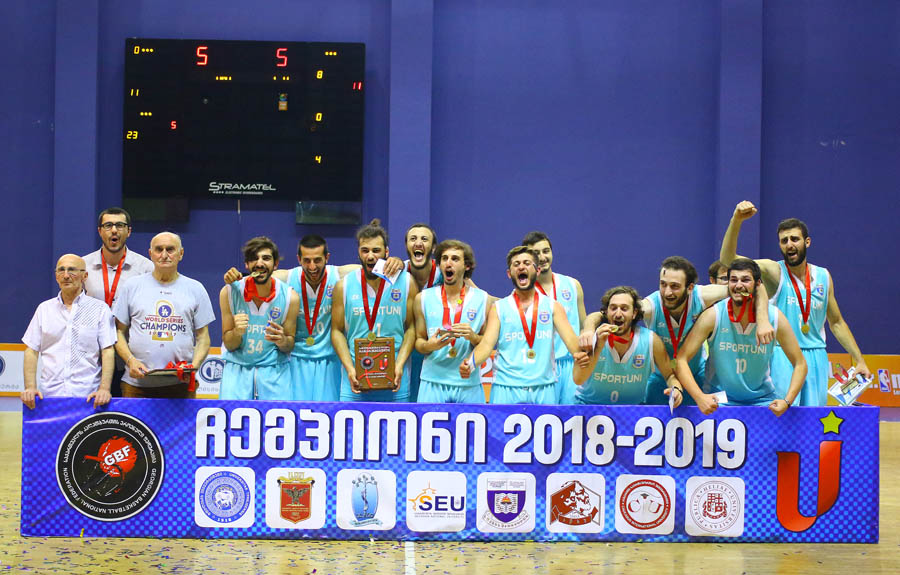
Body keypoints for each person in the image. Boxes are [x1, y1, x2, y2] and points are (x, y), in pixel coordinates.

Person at [720, 200, 870, 406]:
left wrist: (859, 359)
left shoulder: (823, 276)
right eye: (784, 241)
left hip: (817, 355)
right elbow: (728, 260)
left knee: (814, 418)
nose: (789, 244)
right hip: (783, 355)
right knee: (784, 415)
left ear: (807, 242)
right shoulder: (774, 271)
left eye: (794, 239)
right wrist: (736, 220)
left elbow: (836, 323)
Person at [223, 236, 403, 402]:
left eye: (317, 260)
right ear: (299, 259)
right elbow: (258, 275)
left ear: (327, 258)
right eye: (306, 261)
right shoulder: (286, 278)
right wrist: (234, 276)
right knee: (296, 417)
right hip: (296, 360)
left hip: (330, 360)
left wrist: (398, 262)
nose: (312, 267)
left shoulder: (340, 274)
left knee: (329, 416)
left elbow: (371, 265)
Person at [581, 256, 773, 406]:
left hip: (695, 375)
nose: (667, 292)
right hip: (662, 378)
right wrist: (588, 330)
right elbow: (602, 314)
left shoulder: (702, 296)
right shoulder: (650, 306)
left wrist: (763, 319)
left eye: (674, 286)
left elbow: (757, 288)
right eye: (663, 284)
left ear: (690, 288)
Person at [674, 258, 807, 416]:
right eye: (733, 280)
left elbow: (800, 364)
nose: (738, 285)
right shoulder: (713, 315)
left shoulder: (774, 317)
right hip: (719, 400)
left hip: (762, 400)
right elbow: (681, 359)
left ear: (758, 284)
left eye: (745, 280)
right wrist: (699, 397)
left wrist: (787, 401)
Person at [460, 246, 587, 404]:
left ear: (537, 270)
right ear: (509, 273)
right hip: (506, 387)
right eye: (516, 264)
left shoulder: (553, 306)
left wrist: (581, 355)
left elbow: (572, 343)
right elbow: (486, 345)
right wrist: (470, 363)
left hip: (544, 387)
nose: (521, 267)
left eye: (527, 263)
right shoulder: (499, 308)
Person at [113, 232, 215, 398]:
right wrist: (131, 361)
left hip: (181, 384)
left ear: (181, 254)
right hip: (136, 385)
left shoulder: (196, 289)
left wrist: (194, 367)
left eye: (170, 249)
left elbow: (203, 337)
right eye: (159, 249)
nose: (164, 255)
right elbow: (118, 332)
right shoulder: (132, 286)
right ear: (150, 254)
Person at [332, 219, 418, 402]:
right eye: (365, 250)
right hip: (355, 378)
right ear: (358, 252)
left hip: (395, 377)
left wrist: (399, 365)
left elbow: (411, 328)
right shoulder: (343, 286)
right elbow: (336, 331)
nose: (370, 256)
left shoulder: (406, 282)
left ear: (386, 252)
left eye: (376, 250)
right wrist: (349, 369)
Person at [21, 254, 116, 409]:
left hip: (88, 397)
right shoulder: (44, 309)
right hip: (49, 396)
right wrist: (30, 387)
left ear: (85, 276)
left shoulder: (100, 309)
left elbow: (108, 351)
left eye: (72, 270)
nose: (66, 275)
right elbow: (31, 350)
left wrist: (104, 389)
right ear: (56, 276)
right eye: (61, 270)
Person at [82, 207, 154, 397]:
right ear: (100, 231)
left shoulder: (146, 268)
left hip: (130, 356)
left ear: (128, 231)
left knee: (125, 411)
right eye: (108, 225)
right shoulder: (83, 265)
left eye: (120, 225)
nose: (114, 230)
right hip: (92, 354)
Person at [573, 286, 683, 406]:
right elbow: (578, 379)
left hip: (631, 411)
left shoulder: (650, 340)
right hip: (588, 407)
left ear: (634, 313)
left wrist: (676, 389)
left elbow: (670, 375)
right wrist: (598, 346)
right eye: (613, 308)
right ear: (606, 312)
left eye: (624, 309)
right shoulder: (591, 338)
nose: (618, 314)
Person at [220, 237, 299, 400]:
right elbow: (229, 344)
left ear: (275, 264)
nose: (260, 263)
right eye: (254, 258)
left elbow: (289, 345)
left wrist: (283, 340)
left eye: (266, 258)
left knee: (279, 417)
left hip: (274, 372)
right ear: (246, 264)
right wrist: (236, 332)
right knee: (230, 416)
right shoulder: (229, 292)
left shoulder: (290, 297)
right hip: (236, 372)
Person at [414, 240, 491, 403]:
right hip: (432, 381)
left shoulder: (483, 299)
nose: (448, 263)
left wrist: (473, 337)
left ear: (467, 266)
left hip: (468, 383)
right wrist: (429, 345)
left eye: (455, 259)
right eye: (444, 258)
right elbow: (419, 342)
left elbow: (487, 343)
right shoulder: (423, 298)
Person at [522, 231, 586, 404]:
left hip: (571, 365)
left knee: (572, 415)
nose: (542, 257)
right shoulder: (523, 293)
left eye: (546, 251)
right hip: (541, 367)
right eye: (536, 253)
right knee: (545, 416)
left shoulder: (573, 285)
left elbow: (583, 325)